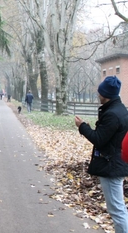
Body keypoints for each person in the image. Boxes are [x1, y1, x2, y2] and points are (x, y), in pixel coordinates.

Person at [74, 76, 128, 233]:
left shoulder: (112, 114)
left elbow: (99, 139)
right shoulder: (120, 109)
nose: (98, 95)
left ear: (106, 94)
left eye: (100, 92)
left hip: (111, 166)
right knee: (119, 208)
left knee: (117, 211)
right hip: (117, 162)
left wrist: (82, 126)